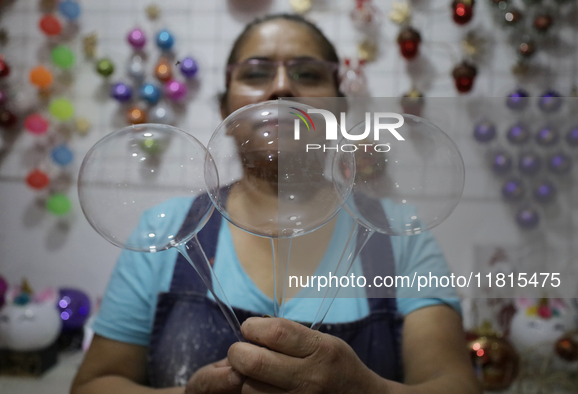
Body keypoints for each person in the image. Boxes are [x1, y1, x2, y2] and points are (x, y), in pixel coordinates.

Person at [71, 14, 481, 394]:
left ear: (339, 110)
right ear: (225, 109)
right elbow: (94, 384)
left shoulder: (400, 235)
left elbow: (454, 384)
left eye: (307, 73)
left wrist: (366, 390)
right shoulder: (164, 228)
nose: (282, 86)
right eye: (256, 72)